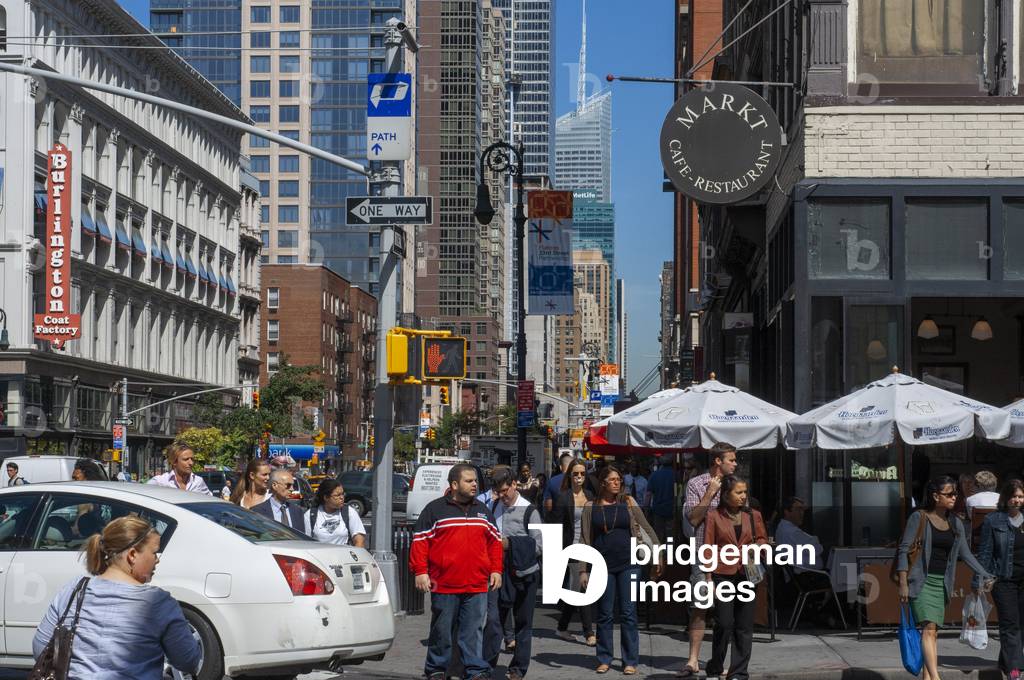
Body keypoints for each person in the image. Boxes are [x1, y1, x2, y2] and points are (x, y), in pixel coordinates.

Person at [32, 516, 201, 679]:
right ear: (132, 555)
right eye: (154, 553)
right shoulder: (158, 603)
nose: (157, 560)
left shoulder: (74, 589)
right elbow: (188, 661)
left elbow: (40, 647)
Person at [410, 463, 503, 680]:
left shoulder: (482, 510)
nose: (474, 485)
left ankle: (475, 671)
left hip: (477, 584)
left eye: (475, 481)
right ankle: (436, 670)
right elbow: (420, 541)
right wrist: (420, 571)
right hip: (444, 584)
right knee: (442, 632)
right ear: (454, 484)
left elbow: (495, 542)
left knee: (473, 633)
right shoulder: (434, 510)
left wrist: (496, 570)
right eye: (468, 481)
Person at [897, 475, 995, 680]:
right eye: (949, 494)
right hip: (921, 582)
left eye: (955, 494)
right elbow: (904, 549)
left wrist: (985, 573)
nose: (954, 497)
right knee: (929, 629)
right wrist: (904, 583)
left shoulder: (955, 522)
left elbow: (966, 554)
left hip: (942, 583)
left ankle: (927, 677)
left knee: (933, 633)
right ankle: (936, 677)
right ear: (935, 496)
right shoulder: (919, 517)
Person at [580, 464, 661, 675]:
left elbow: (647, 527)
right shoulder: (590, 507)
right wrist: (583, 570)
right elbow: (585, 540)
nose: (618, 483)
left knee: (628, 613)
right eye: (613, 479)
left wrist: (659, 553)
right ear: (603, 482)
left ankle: (629, 660)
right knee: (605, 614)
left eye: (619, 480)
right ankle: (604, 657)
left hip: (629, 564)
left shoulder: (628, 502)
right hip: (601, 565)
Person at [679, 442, 738, 679]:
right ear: (718, 461)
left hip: (730, 555)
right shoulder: (696, 484)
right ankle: (693, 659)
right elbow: (693, 519)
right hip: (704, 553)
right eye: (731, 459)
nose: (735, 463)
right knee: (700, 607)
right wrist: (710, 493)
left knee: (726, 614)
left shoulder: (735, 485)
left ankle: (717, 662)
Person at [702, 475, 767, 680]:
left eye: (745, 492)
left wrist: (759, 546)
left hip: (748, 574)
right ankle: (715, 666)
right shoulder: (713, 516)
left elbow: (763, 539)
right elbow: (708, 547)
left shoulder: (753, 515)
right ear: (726, 495)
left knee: (744, 626)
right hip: (723, 574)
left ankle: (739, 672)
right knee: (724, 622)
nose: (743, 496)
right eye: (738, 492)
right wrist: (708, 578)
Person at [483, 467, 542, 680]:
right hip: (498, 573)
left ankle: (518, 668)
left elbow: (539, 546)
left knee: (523, 622)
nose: (503, 496)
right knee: (493, 620)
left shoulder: (529, 511)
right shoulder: (494, 506)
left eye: (505, 491)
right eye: (498, 492)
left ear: (515, 485)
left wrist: (510, 544)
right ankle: (485, 666)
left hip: (524, 574)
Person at [976, 479, 1024, 679]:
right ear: (1005, 497)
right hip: (1004, 580)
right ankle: (1015, 670)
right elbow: (986, 552)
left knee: (1020, 624)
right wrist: (978, 579)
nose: (1017, 500)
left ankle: (1006, 662)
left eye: (1020, 496)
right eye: (1013, 496)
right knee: (1010, 624)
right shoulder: (993, 520)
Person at [553, 457, 596, 646]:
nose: (579, 477)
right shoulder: (563, 497)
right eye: (576, 474)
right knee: (582, 587)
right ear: (569, 475)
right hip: (572, 548)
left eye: (582, 474)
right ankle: (589, 633)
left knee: (575, 589)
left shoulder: (590, 496)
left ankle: (562, 627)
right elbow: (557, 525)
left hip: (590, 547)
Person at [304, 478, 366, 547]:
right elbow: (305, 542)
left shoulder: (349, 512)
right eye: (337, 495)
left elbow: (359, 541)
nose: (342, 497)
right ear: (326, 497)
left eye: (343, 494)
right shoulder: (310, 515)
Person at [252, 469, 309, 534]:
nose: (292, 489)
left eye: (293, 485)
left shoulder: (297, 511)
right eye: (288, 485)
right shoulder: (257, 511)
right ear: (274, 485)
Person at [146, 443, 212, 495]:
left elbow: (211, 503)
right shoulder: (161, 482)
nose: (191, 463)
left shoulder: (198, 481)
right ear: (174, 462)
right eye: (186, 459)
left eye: (192, 459)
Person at [544, 452, 575, 519]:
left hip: (557, 520)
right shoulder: (578, 480)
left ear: (560, 467)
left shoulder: (551, 481)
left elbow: (548, 507)